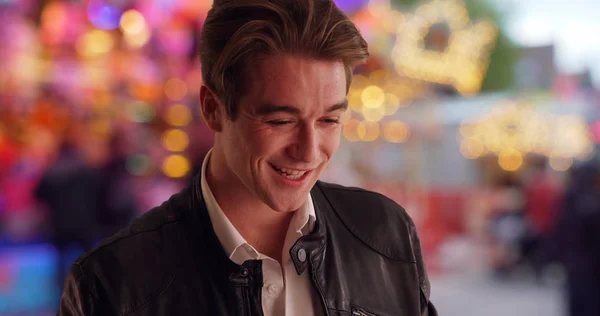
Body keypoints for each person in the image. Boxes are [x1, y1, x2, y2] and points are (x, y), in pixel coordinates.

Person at [58, 0, 437, 315]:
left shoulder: (387, 235)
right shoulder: (110, 286)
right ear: (213, 108)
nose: (308, 151)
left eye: (329, 119)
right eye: (280, 120)